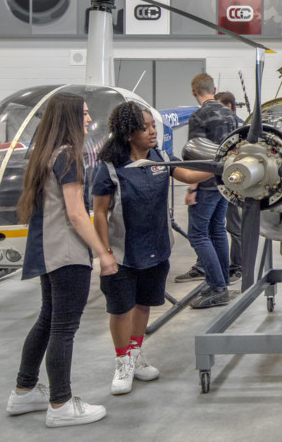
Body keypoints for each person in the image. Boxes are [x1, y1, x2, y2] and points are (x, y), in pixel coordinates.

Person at [8, 94, 115, 428]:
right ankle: (61, 404)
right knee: (63, 328)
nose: (87, 119)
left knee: (47, 320)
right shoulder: (69, 155)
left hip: (47, 248)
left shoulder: (45, 153)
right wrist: (103, 252)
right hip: (67, 252)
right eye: (83, 114)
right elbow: (76, 212)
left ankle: (23, 391)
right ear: (69, 118)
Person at [91, 101, 212, 395]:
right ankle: (122, 362)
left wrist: (222, 165)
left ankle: (135, 353)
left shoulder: (160, 158)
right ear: (127, 132)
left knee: (144, 304)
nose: (151, 132)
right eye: (143, 127)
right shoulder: (109, 170)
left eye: (153, 126)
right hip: (122, 252)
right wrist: (104, 253)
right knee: (121, 309)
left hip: (156, 247)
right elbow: (99, 213)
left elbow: (188, 175)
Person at [181, 75, 239, 309]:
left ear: (194, 92)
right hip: (226, 182)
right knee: (217, 230)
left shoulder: (198, 116)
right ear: (214, 89)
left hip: (205, 183)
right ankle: (221, 280)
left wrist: (192, 187)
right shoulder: (230, 114)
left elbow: (195, 154)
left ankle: (217, 286)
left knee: (197, 234)